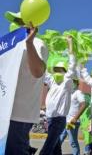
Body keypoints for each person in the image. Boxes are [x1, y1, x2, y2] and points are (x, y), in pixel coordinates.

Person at [5, 20, 48, 155]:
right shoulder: (9, 45)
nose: (15, 24)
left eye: (19, 21)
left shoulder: (37, 43)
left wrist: (29, 43)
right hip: (5, 113)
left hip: (19, 116)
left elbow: (38, 71)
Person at [40, 36, 76, 155]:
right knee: (55, 146)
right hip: (49, 118)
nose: (58, 71)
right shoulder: (51, 80)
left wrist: (70, 44)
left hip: (59, 119)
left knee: (49, 145)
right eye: (56, 69)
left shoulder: (67, 81)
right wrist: (45, 49)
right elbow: (43, 67)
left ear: (65, 71)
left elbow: (72, 63)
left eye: (60, 69)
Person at [60, 79, 87, 155]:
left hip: (72, 121)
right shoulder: (68, 93)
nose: (72, 83)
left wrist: (75, 118)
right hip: (65, 120)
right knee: (60, 138)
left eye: (74, 82)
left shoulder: (78, 92)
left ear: (77, 83)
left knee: (72, 141)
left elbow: (84, 104)